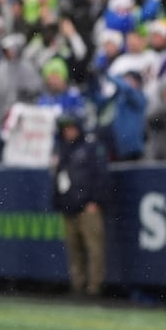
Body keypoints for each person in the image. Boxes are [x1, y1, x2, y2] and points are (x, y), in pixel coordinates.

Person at [51, 113, 109, 296]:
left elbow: (101, 176)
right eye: (65, 129)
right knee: (73, 249)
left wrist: (95, 200)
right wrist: (59, 202)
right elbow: (58, 180)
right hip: (69, 207)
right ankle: (77, 285)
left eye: (71, 128)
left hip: (87, 206)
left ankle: (94, 287)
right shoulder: (62, 150)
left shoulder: (90, 147)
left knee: (94, 248)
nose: (68, 132)